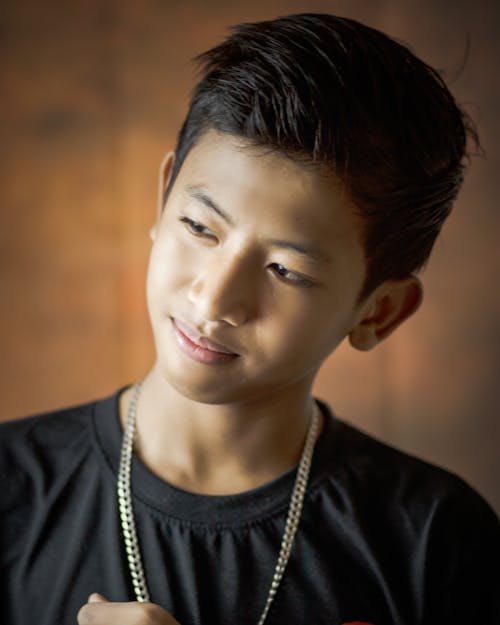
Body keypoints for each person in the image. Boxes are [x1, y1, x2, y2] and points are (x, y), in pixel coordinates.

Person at [1, 12, 499, 625]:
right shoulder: (12, 490)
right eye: (199, 227)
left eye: (285, 271)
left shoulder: (433, 538)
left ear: (380, 311)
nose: (213, 303)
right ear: (163, 199)